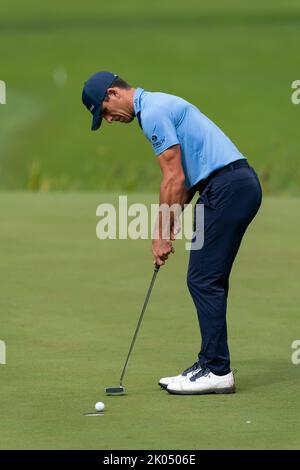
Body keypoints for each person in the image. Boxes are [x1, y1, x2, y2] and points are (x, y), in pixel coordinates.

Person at [82, 71, 262, 395]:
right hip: (230, 186)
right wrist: (169, 227)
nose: (108, 120)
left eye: (104, 112)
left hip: (227, 187)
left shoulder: (152, 112)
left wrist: (161, 235)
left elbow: (173, 179)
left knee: (203, 279)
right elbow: (185, 184)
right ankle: (208, 363)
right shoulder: (156, 105)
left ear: (112, 93)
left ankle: (218, 370)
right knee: (208, 278)